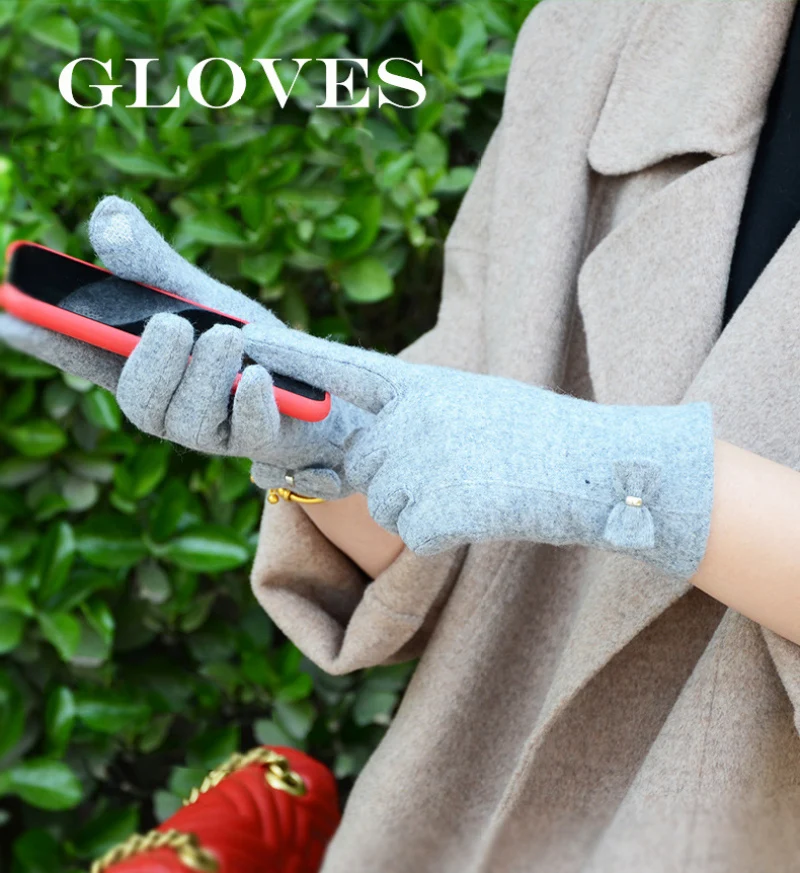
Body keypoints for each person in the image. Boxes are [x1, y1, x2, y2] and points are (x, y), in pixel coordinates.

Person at [4, 1, 800, 870]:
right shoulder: (600, 34)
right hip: (451, 827)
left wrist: (633, 481)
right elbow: (477, 570)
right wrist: (325, 448)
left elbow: (555, 463)